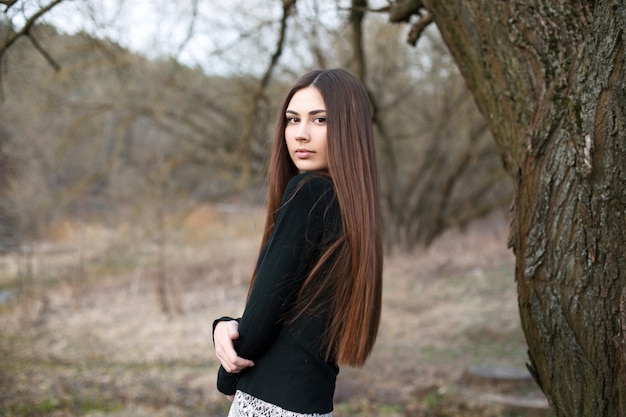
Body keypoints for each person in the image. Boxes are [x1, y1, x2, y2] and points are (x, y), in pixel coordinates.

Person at [212, 68, 383, 417]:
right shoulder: (351, 207)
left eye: (319, 120)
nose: (301, 135)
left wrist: (227, 374)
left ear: (348, 128)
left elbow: (264, 312)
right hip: (314, 405)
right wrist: (225, 323)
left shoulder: (310, 192)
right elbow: (295, 311)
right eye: (293, 120)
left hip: (270, 404)